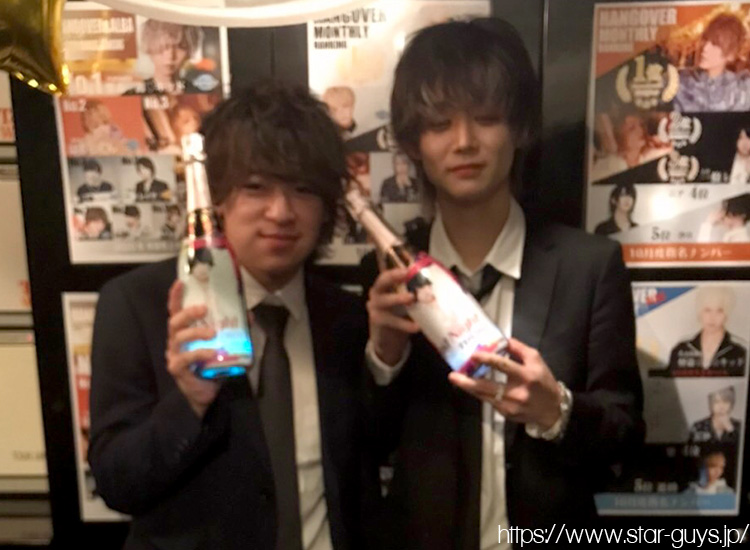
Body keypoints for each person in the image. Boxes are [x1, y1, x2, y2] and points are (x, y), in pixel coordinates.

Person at [360, 18, 644, 548]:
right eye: (439, 124)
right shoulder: (385, 275)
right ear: (413, 142)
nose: (464, 142)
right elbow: (363, 449)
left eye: (487, 118)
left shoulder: (589, 267)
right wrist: (385, 358)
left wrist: (557, 412)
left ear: (520, 129)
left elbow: (625, 439)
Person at [88, 82, 373, 550]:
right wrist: (189, 403)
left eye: (303, 189)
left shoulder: (345, 316)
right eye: (255, 187)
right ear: (216, 196)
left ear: (326, 207)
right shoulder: (136, 304)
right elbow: (117, 483)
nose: (280, 212)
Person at [673, 13, 750, 113]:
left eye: (715, 44)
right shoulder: (681, 82)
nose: (705, 48)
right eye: (705, 40)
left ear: (730, 54)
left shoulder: (741, 90)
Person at [667, 287, 747, 376]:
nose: (712, 317)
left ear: (727, 314)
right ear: (699, 312)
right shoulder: (681, 349)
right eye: (707, 310)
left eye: (719, 311)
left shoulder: (741, 351)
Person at [126, 20, 205, 95]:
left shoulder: (201, 95)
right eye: (163, 47)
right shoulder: (132, 96)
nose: (170, 56)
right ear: (149, 48)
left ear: (190, 50)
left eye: (180, 47)